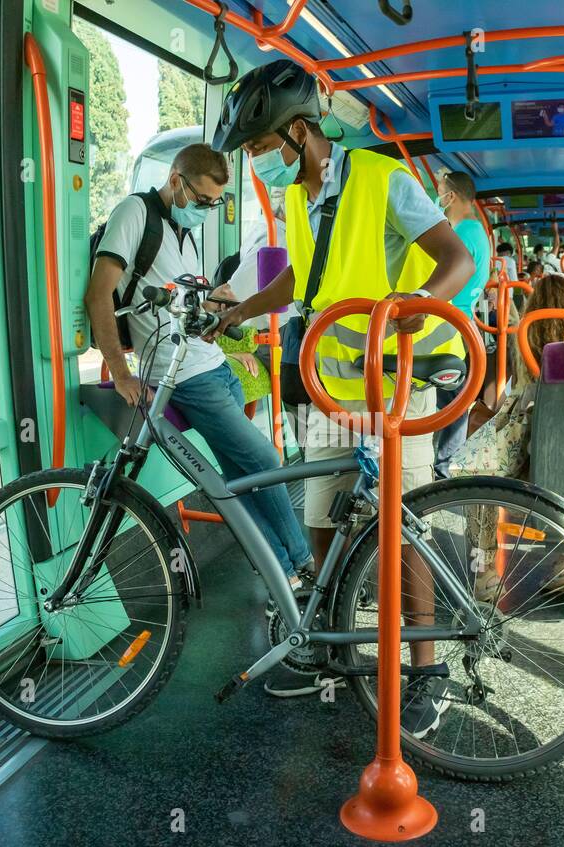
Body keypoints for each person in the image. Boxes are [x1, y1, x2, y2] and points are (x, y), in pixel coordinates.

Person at [212, 59, 475, 724]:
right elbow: (303, 275)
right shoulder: (299, 199)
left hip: (393, 379)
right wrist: (241, 310)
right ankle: (331, 646)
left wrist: (411, 309)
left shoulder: (383, 181)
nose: (256, 162)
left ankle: (428, 669)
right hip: (332, 386)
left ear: (300, 133)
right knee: (322, 516)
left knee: (401, 526)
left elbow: (456, 261)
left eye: (260, 147)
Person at [84, 143, 312, 593]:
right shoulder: (135, 215)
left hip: (213, 365)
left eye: (215, 204)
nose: (207, 211)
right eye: (203, 201)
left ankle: (280, 573)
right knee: (264, 459)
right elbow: (99, 295)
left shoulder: (181, 231)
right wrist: (120, 371)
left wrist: (224, 312)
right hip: (186, 376)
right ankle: (302, 564)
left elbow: (184, 299)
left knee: (240, 483)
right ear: (175, 181)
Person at [449, 273, 564, 599]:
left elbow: (502, 399)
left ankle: (482, 571)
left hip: (530, 445)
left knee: (476, 476)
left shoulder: (524, 340)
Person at [433, 171, 491, 478]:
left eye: (439, 192)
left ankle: (445, 469)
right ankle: (445, 465)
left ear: (450, 197)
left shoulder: (463, 234)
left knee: (451, 403)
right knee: (453, 401)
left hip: (448, 327)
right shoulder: (474, 231)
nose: (437, 198)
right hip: (458, 324)